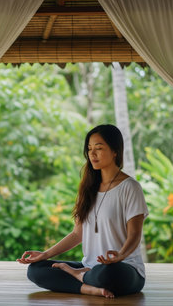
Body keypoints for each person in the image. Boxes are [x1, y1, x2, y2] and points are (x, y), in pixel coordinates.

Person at [17, 124, 148, 299]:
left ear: (115, 151)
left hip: (124, 269)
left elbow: (134, 235)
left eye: (99, 148)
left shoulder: (130, 187)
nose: (92, 154)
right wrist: (45, 254)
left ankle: (78, 276)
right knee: (36, 270)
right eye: (89, 149)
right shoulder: (87, 188)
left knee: (107, 274)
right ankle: (88, 287)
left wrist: (120, 255)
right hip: (91, 267)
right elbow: (77, 234)